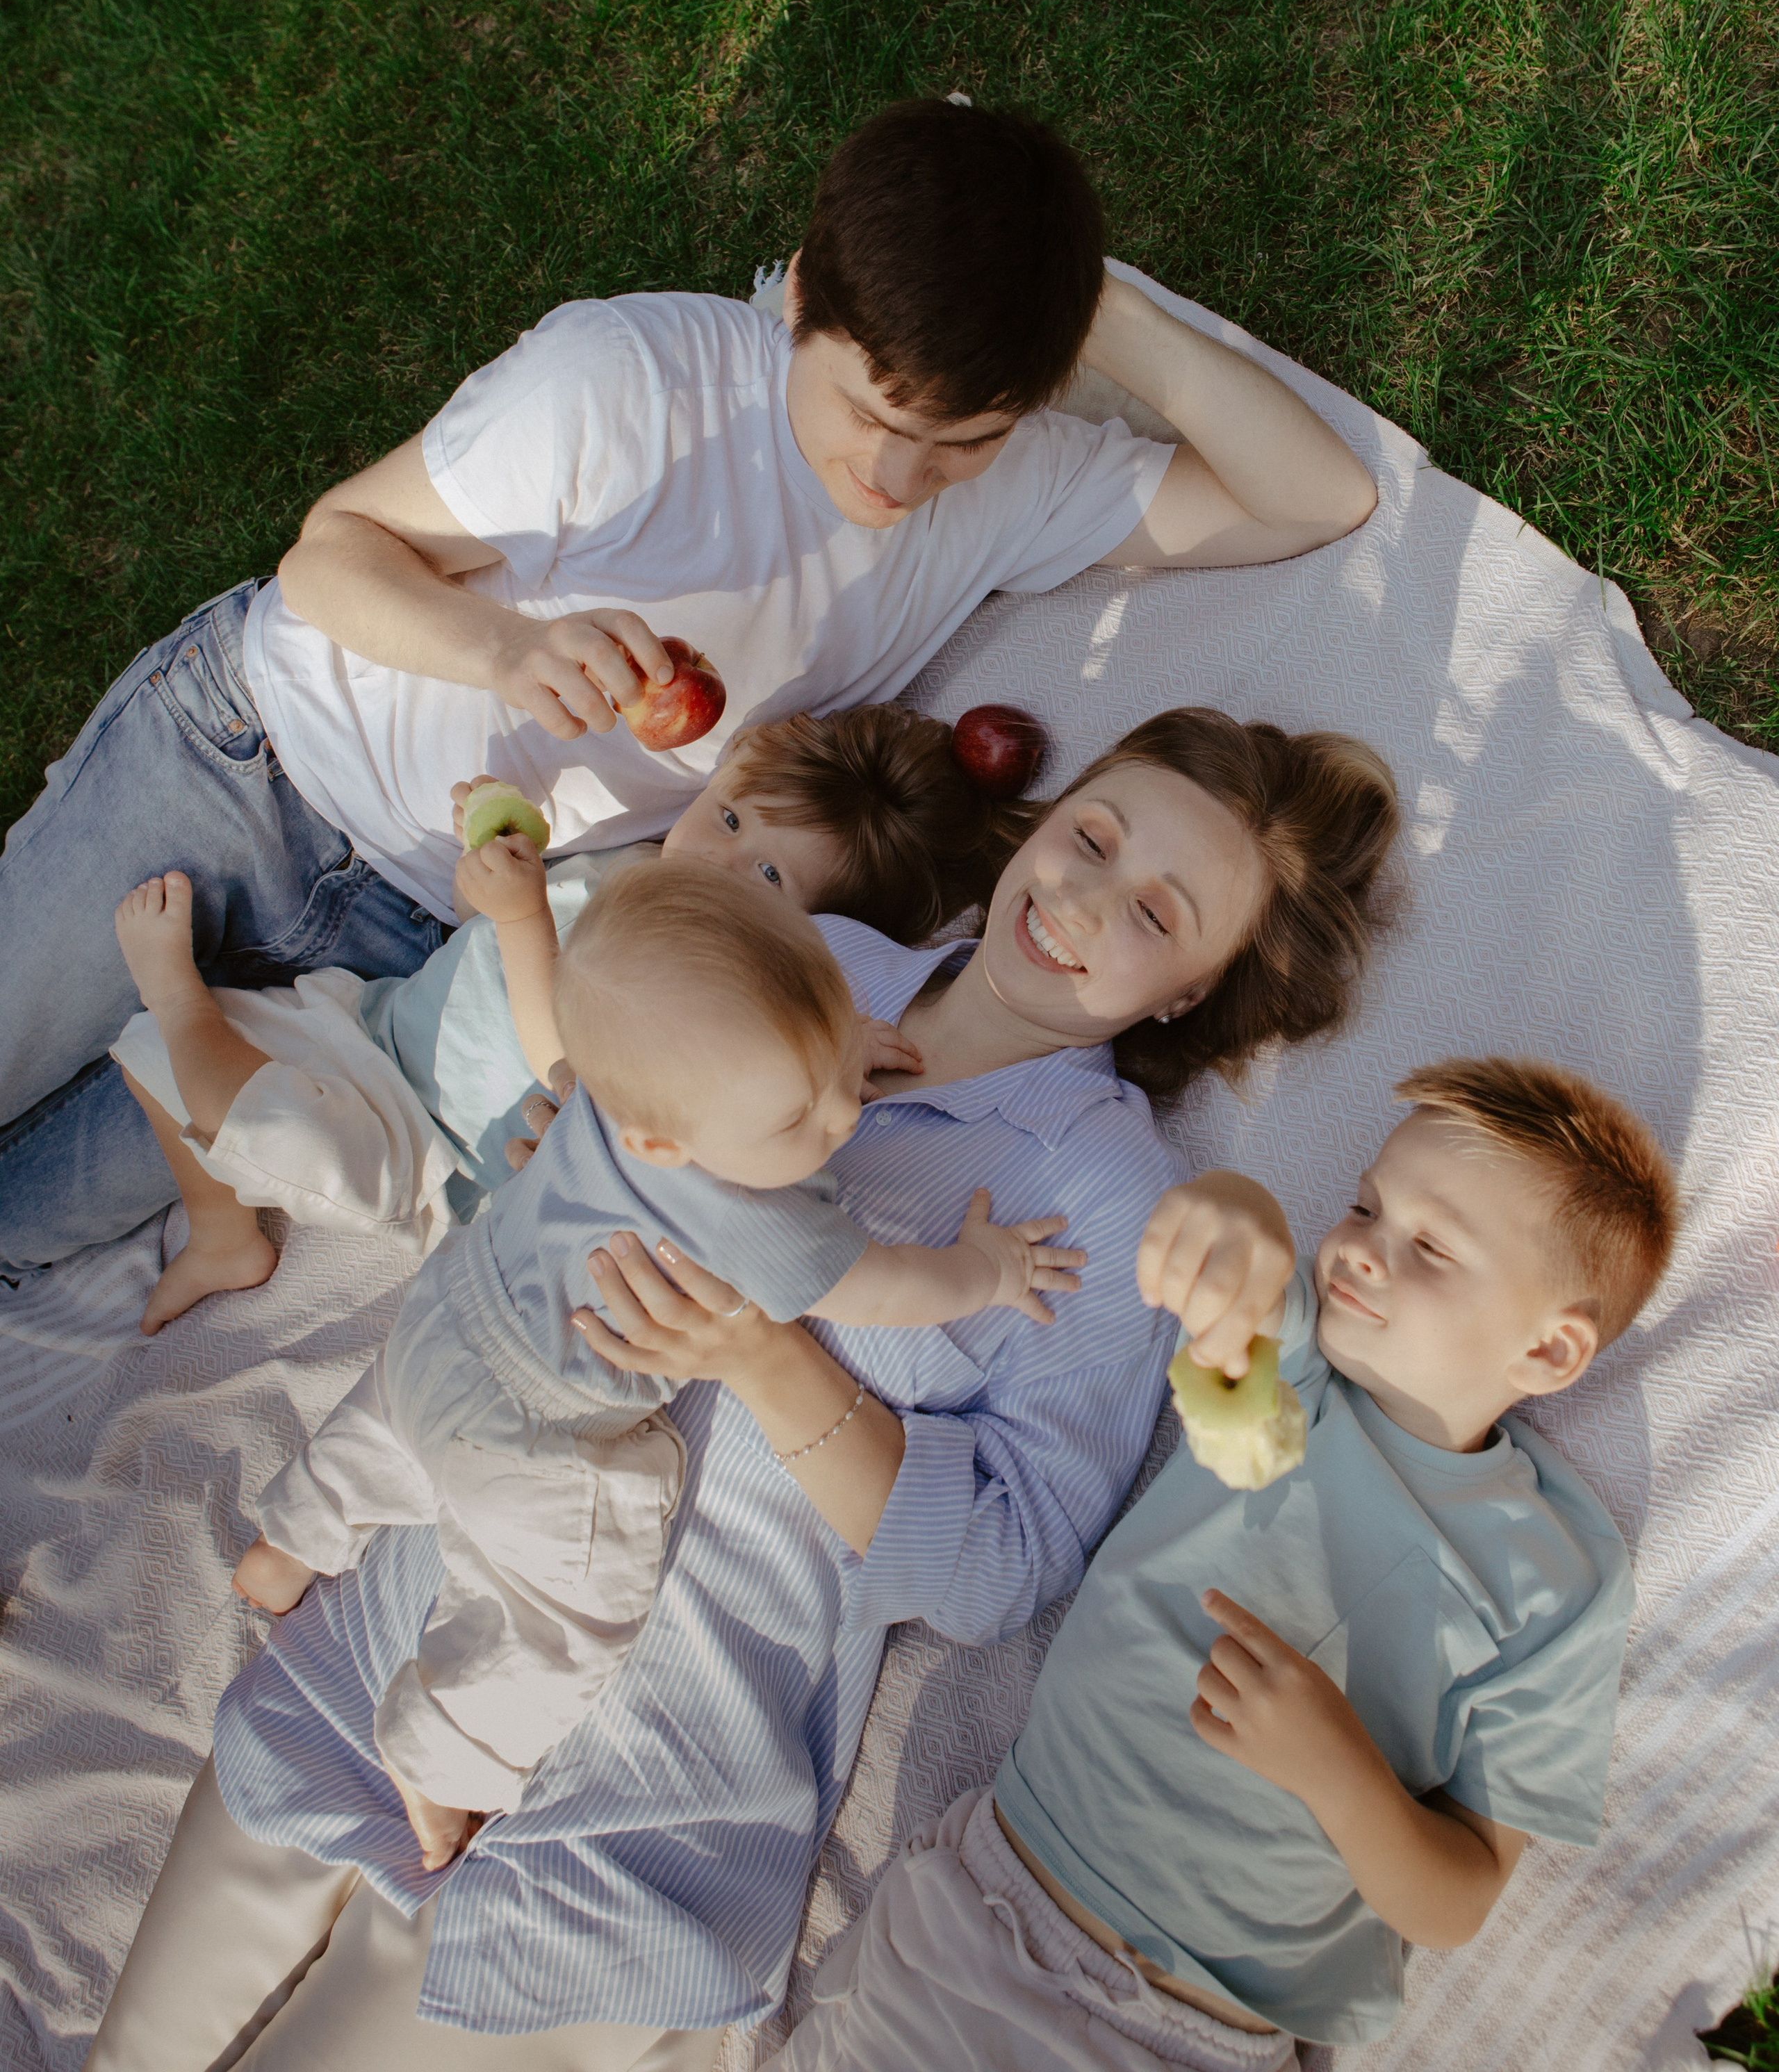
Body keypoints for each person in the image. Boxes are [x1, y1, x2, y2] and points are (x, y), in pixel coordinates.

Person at [85, 707, 1400, 2072]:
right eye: (1092, 837)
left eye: (1155, 915)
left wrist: (766, 1357)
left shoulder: (1112, 1211)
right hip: (416, 1623)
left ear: (1189, 991)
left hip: (640, 1798)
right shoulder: (806, 953)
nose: (1080, 899)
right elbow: (587, 1102)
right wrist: (561, 1144)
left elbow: (998, 1571)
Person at [0, 97, 1378, 1271]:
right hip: (250, 761)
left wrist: (1098, 314)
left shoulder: (1013, 488)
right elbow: (327, 559)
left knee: (29, 1221)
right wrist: (502, 651)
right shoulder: (627, 387)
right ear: (801, 299)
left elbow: (1317, 497)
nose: (897, 478)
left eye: (961, 438)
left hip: (408, 940)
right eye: (870, 413)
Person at [776, 1058, 1678, 2072]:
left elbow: (1457, 1900)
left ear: (1550, 1353)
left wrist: (1339, 1772)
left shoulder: (1558, 1583)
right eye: (1365, 1207)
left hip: (1195, 2036)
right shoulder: (1294, 1375)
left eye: (1429, 1246)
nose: (1360, 1248)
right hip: (983, 1926)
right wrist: (1232, 1212)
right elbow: (1230, 1271)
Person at [214, 861, 1081, 1875]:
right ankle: (441, 1754)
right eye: (797, 1118)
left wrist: (836, 1049)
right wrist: (985, 1270)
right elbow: (882, 1287)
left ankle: (289, 1543)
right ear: (664, 1145)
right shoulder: (750, 1213)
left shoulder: (619, 1079)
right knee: (566, 1611)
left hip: (447, 1313)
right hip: (536, 1430)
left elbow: (723, 1043)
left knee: (385, 1433)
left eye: (836, 1067)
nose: (845, 1118)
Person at [104, 704, 1026, 1331]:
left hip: (434, 1151)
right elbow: (481, 943)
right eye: (730, 820)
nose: (719, 863)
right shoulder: (638, 869)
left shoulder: (705, 994)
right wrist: (494, 863)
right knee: (157, 1061)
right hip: (370, 1026)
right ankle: (222, 1231)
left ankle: (175, 995)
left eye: (771, 877)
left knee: (266, 1118)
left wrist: (833, 1040)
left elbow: (570, 1068)